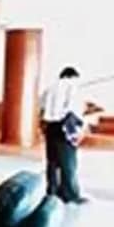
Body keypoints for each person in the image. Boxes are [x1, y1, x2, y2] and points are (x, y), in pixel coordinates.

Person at [40, 66, 88, 204]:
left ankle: (52, 191)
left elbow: (42, 109)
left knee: (52, 161)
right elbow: (74, 109)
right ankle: (70, 194)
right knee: (68, 161)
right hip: (65, 125)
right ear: (73, 76)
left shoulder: (49, 88)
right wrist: (78, 130)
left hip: (50, 126)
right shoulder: (72, 86)